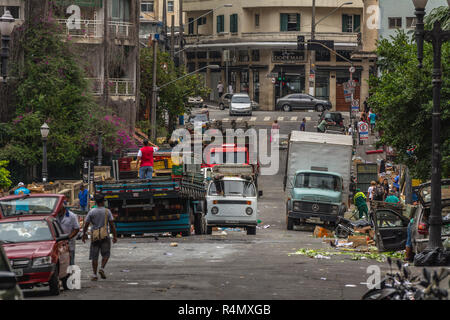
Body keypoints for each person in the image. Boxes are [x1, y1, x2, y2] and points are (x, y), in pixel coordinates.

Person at [82, 194, 117, 281]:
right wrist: (115, 236)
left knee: (95, 256)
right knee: (106, 254)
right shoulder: (107, 211)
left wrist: (84, 234)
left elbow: (86, 224)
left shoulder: (92, 211)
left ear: (96, 202)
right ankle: (102, 268)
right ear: (103, 201)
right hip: (105, 235)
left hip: (95, 236)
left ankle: (94, 275)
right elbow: (112, 225)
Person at [57, 200, 80, 265]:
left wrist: (69, 237)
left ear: (64, 207)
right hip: (58, 242)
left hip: (69, 242)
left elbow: (76, 229)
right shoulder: (55, 216)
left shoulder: (72, 216)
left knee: (70, 260)